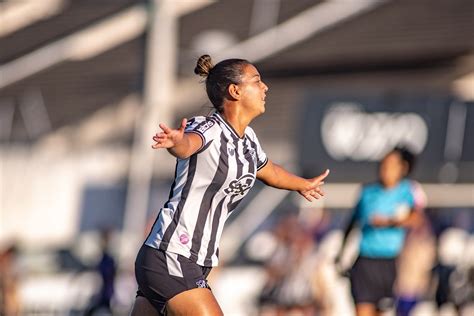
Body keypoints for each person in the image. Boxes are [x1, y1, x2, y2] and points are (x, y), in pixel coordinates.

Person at [130, 54, 329, 316]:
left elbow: (269, 171)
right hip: (172, 254)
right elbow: (188, 144)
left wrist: (301, 184)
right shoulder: (208, 128)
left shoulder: (248, 141)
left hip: (193, 261)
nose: (265, 87)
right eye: (257, 81)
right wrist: (176, 142)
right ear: (235, 91)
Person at [336, 147, 421, 316]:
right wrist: (341, 254)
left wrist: (391, 222)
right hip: (366, 262)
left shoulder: (408, 192)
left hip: (389, 264)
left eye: (391, 165)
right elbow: (353, 223)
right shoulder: (367, 192)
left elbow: (415, 219)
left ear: (402, 168)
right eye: (383, 165)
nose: (385, 170)